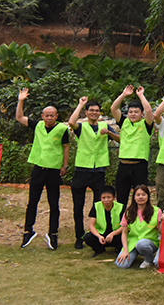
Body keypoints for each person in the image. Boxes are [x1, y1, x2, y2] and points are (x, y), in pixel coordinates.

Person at [17, 87, 70, 250]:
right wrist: (21, 101)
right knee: (32, 201)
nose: (49, 118)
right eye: (46, 115)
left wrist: (65, 165)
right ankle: (28, 231)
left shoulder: (62, 129)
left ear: (56, 116)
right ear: (42, 116)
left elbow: (66, 147)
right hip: (38, 168)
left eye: (52, 115)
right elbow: (19, 117)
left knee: (53, 203)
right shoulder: (38, 125)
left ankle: (53, 233)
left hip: (54, 170)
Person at [67, 96, 113, 250]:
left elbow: (119, 139)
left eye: (97, 110)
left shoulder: (104, 125)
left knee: (99, 206)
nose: (94, 113)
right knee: (78, 206)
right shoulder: (81, 127)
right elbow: (71, 122)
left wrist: (109, 133)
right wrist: (81, 104)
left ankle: (98, 235)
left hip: (98, 171)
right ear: (86, 113)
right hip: (81, 170)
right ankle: (79, 236)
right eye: (91, 110)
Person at [109, 85, 154, 208]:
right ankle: (121, 219)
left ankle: (140, 218)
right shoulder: (124, 122)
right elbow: (113, 108)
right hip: (123, 165)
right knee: (121, 197)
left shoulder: (146, 124)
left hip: (139, 166)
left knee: (140, 197)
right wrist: (124, 94)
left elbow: (149, 110)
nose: (133, 114)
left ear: (141, 114)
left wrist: (141, 95)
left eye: (136, 112)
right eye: (130, 112)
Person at [115, 184, 162, 269]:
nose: (141, 197)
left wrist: (162, 221)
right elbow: (124, 233)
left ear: (148, 196)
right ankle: (134, 254)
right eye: (138, 195)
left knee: (141, 244)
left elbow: (161, 231)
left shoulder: (156, 211)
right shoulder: (128, 211)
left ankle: (148, 259)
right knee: (121, 264)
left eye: (143, 194)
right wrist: (125, 250)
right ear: (134, 197)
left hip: (149, 242)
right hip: (133, 242)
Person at [83, 185, 124, 258]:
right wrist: (98, 236)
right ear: (100, 198)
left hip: (115, 235)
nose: (106, 200)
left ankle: (118, 249)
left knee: (126, 234)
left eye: (109, 197)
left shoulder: (120, 207)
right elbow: (91, 225)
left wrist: (112, 234)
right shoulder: (96, 206)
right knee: (87, 237)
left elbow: (125, 226)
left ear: (114, 197)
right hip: (101, 235)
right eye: (103, 198)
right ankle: (99, 250)